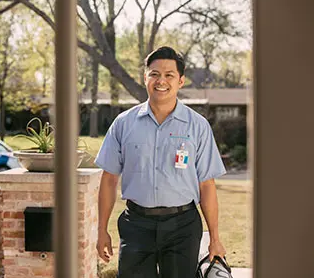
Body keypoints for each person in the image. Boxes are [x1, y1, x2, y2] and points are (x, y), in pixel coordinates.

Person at [94, 46, 227, 278]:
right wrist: (101, 230)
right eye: (154, 74)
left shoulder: (198, 126)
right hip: (136, 225)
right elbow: (108, 180)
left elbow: (207, 185)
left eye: (169, 75)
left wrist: (215, 239)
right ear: (145, 77)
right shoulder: (123, 124)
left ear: (181, 81)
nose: (161, 81)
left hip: (182, 227)